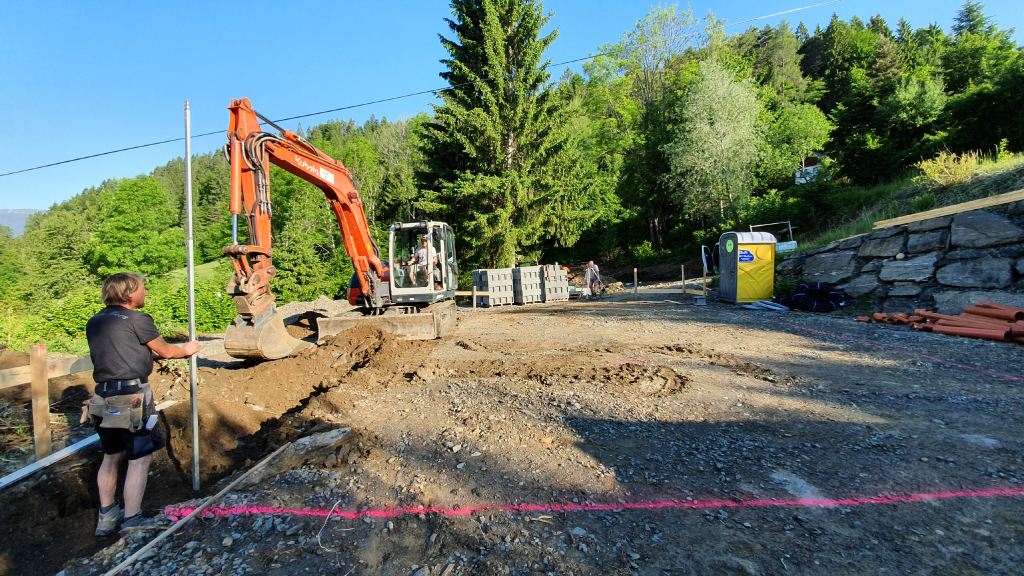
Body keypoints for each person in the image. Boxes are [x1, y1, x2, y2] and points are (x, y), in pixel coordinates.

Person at [86, 272, 198, 536]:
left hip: (102, 397)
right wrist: (187, 349)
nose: (145, 293)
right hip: (132, 396)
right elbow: (167, 351)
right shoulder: (138, 319)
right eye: (142, 289)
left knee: (111, 456)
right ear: (128, 294)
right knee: (139, 458)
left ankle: (106, 518)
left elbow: (119, 351)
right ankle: (132, 519)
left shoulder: (96, 321)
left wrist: (145, 356)